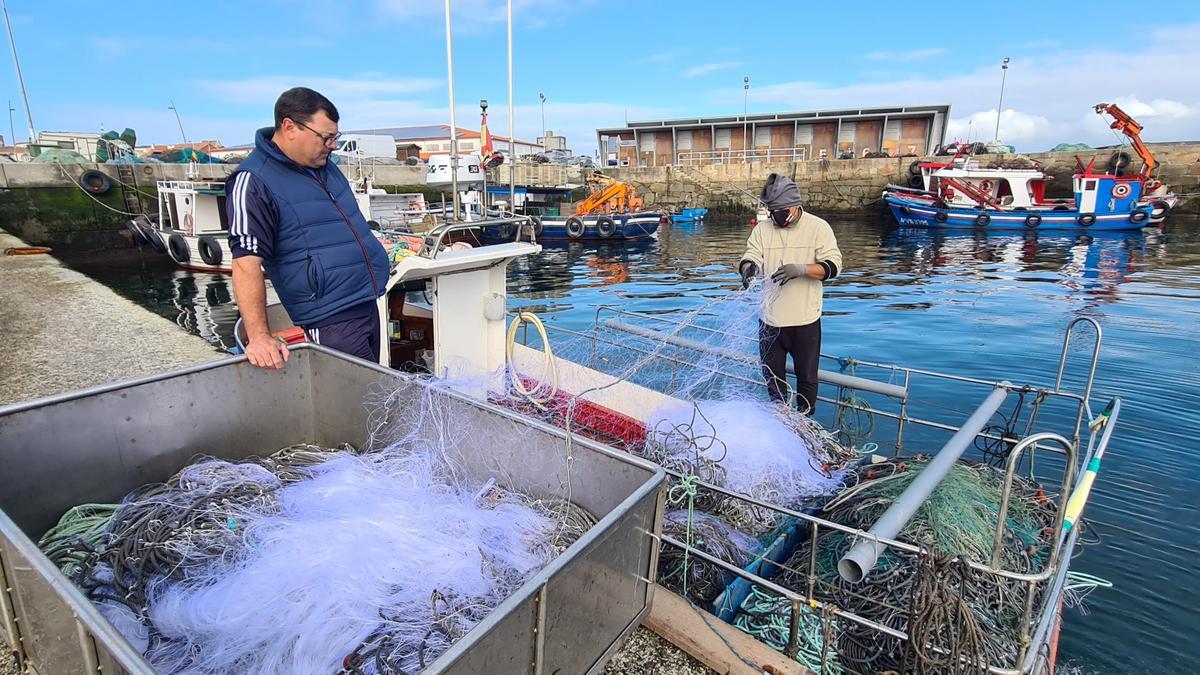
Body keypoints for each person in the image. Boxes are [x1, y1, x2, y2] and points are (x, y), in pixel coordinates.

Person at [226, 87, 389, 369]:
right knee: (352, 400)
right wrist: (260, 337)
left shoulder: (324, 166)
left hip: (365, 300)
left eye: (335, 137)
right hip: (329, 318)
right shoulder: (253, 181)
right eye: (326, 137)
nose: (333, 145)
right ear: (290, 127)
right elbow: (245, 263)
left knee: (372, 393)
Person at [738, 173, 842, 413]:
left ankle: (805, 422)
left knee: (807, 379)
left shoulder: (818, 228)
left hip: (805, 321)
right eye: (773, 212)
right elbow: (752, 254)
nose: (778, 216)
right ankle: (782, 420)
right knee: (773, 379)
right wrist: (748, 268)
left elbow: (833, 266)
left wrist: (802, 269)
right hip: (770, 321)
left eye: (783, 210)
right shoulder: (763, 230)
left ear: (796, 205)